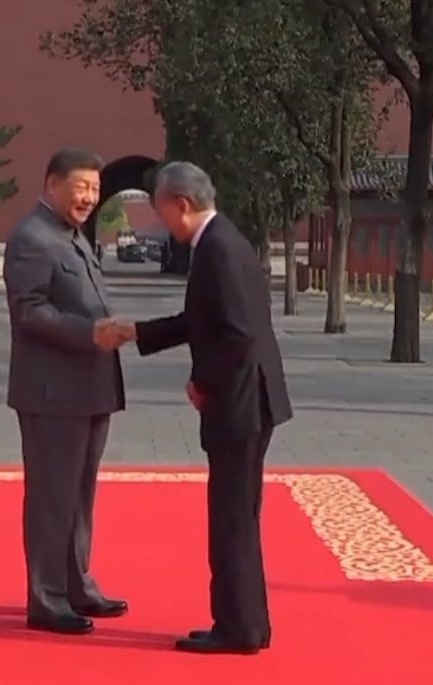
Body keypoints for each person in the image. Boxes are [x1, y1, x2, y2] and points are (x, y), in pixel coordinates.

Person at [111, 161, 292, 655]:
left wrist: (201, 382)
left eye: (160, 210)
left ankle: (238, 629)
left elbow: (235, 333)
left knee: (232, 516)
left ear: (181, 204)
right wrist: (140, 332)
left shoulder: (216, 249)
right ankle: (247, 622)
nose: (161, 219)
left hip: (239, 401)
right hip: (250, 398)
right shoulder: (224, 242)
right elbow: (201, 319)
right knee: (238, 514)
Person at [2, 147, 129, 635]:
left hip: (90, 388)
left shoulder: (71, 237)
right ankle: (46, 597)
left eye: (95, 190)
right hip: (52, 392)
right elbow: (29, 311)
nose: (89, 198)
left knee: (80, 495)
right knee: (53, 497)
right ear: (52, 184)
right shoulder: (32, 238)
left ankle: (77, 584)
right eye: (81, 188)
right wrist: (89, 334)